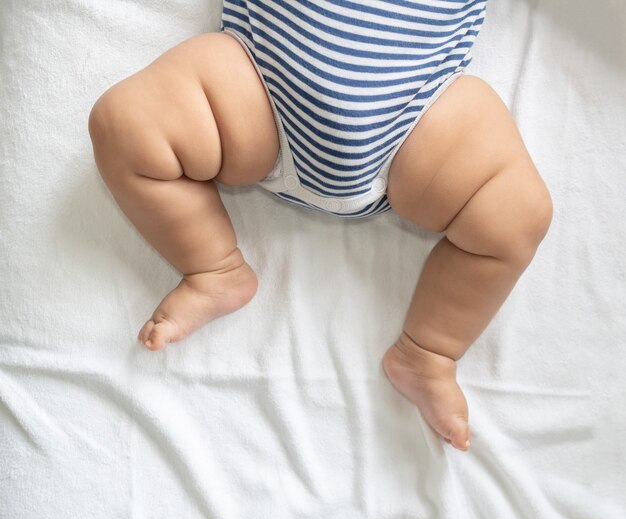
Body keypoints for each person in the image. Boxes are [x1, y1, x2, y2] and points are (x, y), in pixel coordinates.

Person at [87, 1, 553, 453]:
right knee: (124, 124)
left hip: (419, 121)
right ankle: (214, 268)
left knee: (517, 215)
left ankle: (428, 351)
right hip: (258, 90)